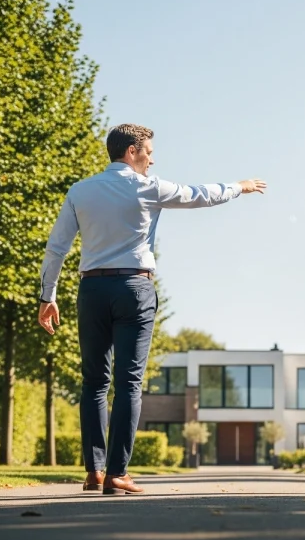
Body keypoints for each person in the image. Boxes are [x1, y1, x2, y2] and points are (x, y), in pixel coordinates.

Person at [38, 124, 266, 495]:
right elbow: (200, 195)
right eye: (148, 151)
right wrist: (239, 187)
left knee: (95, 382)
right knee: (128, 382)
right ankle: (117, 473)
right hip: (134, 288)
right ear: (131, 151)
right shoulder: (149, 186)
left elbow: (57, 246)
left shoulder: (79, 191)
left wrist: (47, 296)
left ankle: (95, 472)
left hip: (91, 289)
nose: (152, 158)